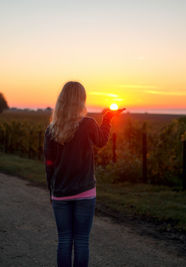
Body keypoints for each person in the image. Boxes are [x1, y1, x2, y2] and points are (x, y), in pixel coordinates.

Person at [43, 81, 124, 267]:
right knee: (81, 240)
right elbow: (102, 141)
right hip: (85, 193)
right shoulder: (87, 124)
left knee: (64, 240)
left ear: (61, 100)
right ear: (81, 100)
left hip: (61, 194)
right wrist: (107, 119)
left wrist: (52, 192)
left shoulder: (51, 130)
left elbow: (49, 165)